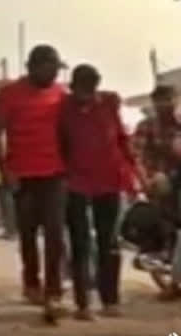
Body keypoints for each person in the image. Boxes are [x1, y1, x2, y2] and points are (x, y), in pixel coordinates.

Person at [59, 64, 144, 320]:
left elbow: (122, 141)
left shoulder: (108, 103)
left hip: (109, 181)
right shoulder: (63, 110)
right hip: (76, 184)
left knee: (109, 243)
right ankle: (83, 304)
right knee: (80, 243)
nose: (88, 96)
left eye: (92, 90)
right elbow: (60, 144)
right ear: (73, 88)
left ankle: (110, 300)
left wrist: (136, 177)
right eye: (83, 91)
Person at [0, 44, 67, 322]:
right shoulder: (9, 95)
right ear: (32, 67)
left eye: (57, 70)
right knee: (28, 234)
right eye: (49, 69)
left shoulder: (61, 94)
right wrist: (4, 169)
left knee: (56, 235)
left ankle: (54, 289)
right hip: (22, 174)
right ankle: (31, 282)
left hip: (55, 175)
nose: (54, 75)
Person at [132, 84, 181, 300]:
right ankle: (167, 279)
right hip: (158, 185)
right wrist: (147, 180)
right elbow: (137, 155)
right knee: (159, 230)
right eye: (161, 101)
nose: (166, 105)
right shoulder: (147, 126)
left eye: (170, 100)